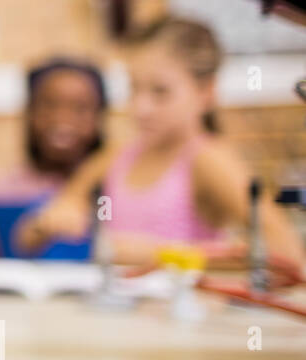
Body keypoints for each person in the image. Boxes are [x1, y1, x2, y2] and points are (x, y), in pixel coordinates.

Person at [16, 15, 306, 282]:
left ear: (205, 92)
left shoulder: (208, 160)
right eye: (134, 89)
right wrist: (48, 222)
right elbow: (25, 238)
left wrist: (158, 255)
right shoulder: (117, 158)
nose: (140, 108)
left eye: (160, 92)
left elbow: (289, 257)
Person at [0, 58, 107, 258]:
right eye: (49, 105)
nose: (62, 118)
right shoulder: (5, 190)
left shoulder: (114, 186)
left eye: (80, 108)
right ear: (30, 112)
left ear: (99, 116)